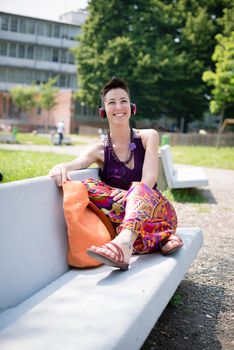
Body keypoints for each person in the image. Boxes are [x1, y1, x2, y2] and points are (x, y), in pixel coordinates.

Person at [49, 77, 183, 270]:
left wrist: (131, 193)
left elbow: (149, 180)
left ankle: (126, 244)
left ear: (132, 107)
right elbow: (76, 163)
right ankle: (160, 237)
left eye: (123, 101)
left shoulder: (148, 136)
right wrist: (62, 166)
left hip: (158, 213)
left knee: (139, 188)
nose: (118, 106)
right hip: (126, 224)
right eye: (112, 102)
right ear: (103, 111)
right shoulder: (99, 149)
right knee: (88, 185)